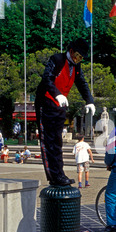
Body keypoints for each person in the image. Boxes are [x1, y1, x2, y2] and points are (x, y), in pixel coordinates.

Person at [35, 38, 95, 186]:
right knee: (48, 142)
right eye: (78, 56)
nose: (79, 59)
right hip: (46, 102)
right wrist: (57, 93)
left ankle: (59, 174)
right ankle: (53, 176)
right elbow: (46, 79)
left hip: (60, 105)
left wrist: (90, 101)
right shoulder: (56, 59)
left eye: (81, 58)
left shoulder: (76, 66)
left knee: (57, 141)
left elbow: (82, 83)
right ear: (71, 51)